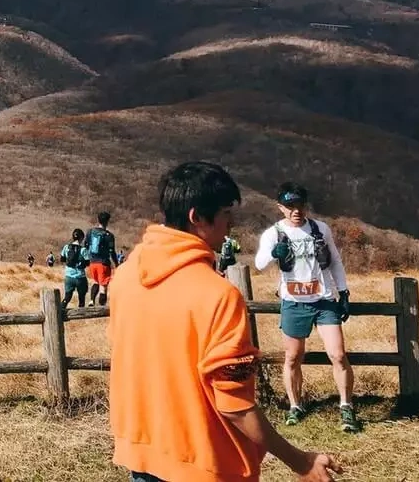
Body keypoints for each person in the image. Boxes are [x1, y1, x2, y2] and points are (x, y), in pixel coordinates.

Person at [110, 161, 343, 482]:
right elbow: (234, 404)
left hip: (142, 452)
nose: (230, 224)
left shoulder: (126, 274)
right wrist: (301, 461)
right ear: (196, 217)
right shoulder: (217, 295)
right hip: (203, 462)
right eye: (225, 214)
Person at [254, 184, 359, 433]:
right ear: (280, 208)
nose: (295, 211)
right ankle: (295, 406)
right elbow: (259, 264)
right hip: (294, 301)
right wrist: (272, 253)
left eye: (299, 205)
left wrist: (343, 292)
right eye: (289, 206)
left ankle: (346, 406)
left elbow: (335, 262)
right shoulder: (274, 233)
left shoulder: (320, 229)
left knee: (338, 355)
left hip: (324, 301)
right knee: (292, 357)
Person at [84, 211, 118, 307]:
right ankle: (102, 307)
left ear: (98, 220)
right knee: (103, 286)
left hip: (92, 262)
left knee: (95, 281)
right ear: (107, 222)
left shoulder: (90, 232)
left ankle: (91, 300)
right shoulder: (109, 235)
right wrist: (116, 263)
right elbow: (112, 251)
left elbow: (86, 245)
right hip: (103, 264)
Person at [60, 228, 89, 309]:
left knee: (67, 297)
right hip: (80, 277)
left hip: (69, 276)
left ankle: (60, 311)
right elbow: (88, 263)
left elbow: (62, 259)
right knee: (81, 298)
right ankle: (81, 315)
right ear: (81, 238)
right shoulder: (83, 250)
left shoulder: (66, 247)